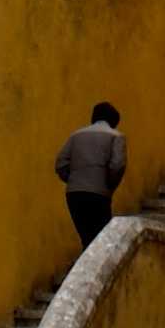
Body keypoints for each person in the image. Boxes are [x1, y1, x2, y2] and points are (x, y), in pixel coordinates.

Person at [52, 100, 128, 255]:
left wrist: (74, 178)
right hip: (99, 193)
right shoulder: (117, 136)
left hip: (74, 193)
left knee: (86, 236)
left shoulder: (76, 135)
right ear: (114, 121)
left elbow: (60, 163)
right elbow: (117, 165)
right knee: (101, 236)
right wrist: (109, 184)